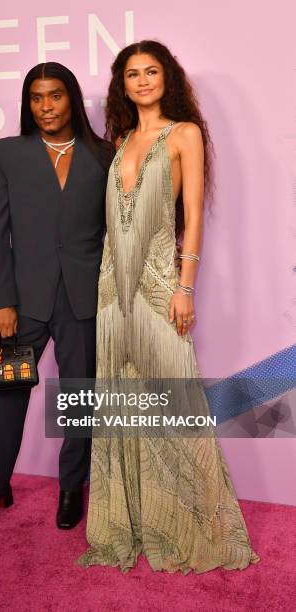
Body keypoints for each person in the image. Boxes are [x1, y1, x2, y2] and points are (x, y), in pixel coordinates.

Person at [77, 41, 260, 573]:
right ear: (122, 84)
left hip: (160, 286)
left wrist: (186, 286)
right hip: (113, 292)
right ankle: (129, 523)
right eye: (132, 74)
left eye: (151, 71)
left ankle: (189, 525)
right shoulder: (120, 138)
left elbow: (195, 217)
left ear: (167, 77)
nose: (142, 81)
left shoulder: (184, 135)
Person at [0, 62, 113, 531]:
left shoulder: (104, 155)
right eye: (36, 98)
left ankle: (71, 489)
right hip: (23, 302)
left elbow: (113, 231)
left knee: (78, 398)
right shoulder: (5, 154)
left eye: (55, 96)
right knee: (6, 395)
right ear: (28, 104)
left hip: (84, 301)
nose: (46, 107)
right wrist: (1, 301)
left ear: (72, 100)